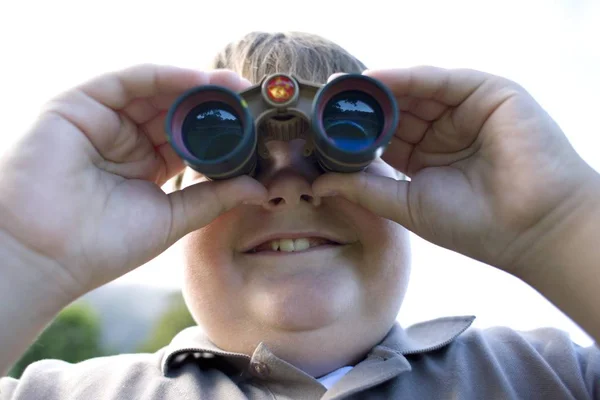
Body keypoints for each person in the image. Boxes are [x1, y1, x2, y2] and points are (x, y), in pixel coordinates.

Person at [0, 31, 599, 399]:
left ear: (399, 172)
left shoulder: (555, 378)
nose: (287, 190)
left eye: (334, 152)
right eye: (237, 162)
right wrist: (20, 254)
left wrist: (564, 222)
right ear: (169, 196)